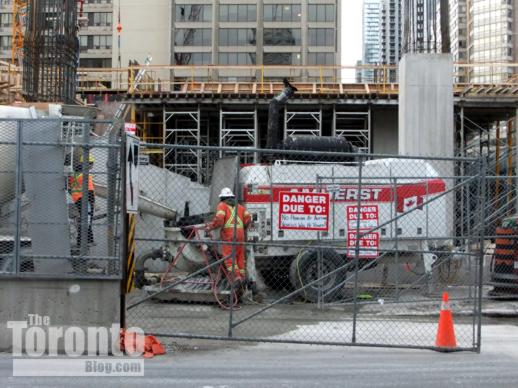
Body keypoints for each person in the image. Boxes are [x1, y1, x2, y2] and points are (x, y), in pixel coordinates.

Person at [206, 187, 252, 292]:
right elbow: (248, 218)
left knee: (229, 258)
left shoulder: (222, 205)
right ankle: (242, 278)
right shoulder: (240, 207)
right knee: (240, 257)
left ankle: (236, 278)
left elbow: (219, 219)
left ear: (222, 198)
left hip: (229, 236)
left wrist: (210, 227)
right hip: (240, 236)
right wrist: (243, 228)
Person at [69, 154, 96, 247]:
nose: (92, 166)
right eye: (92, 164)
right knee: (87, 222)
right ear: (88, 164)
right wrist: (93, 203)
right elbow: (90, 191)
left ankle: (88, 240)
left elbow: (70, 188)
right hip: (85, 201)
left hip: (77, 200)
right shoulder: (86, 175)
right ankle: (82, 243)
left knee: (83, 220)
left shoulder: (75, 173)